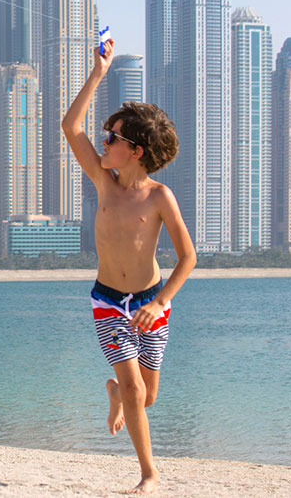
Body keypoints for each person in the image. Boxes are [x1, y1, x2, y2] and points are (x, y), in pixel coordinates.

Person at [61, 40, 196, 494]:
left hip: (149, 303)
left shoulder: (159, 198)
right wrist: (98, 73)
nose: (103, 142)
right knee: (138, 392)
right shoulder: (103, 179)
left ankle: (116, 391)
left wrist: (159, 303)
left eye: (112, 138)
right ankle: (149, 473)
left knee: (146, 395)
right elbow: (69, 125)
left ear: (135, 150)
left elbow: (187, 258)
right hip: (107, 302)